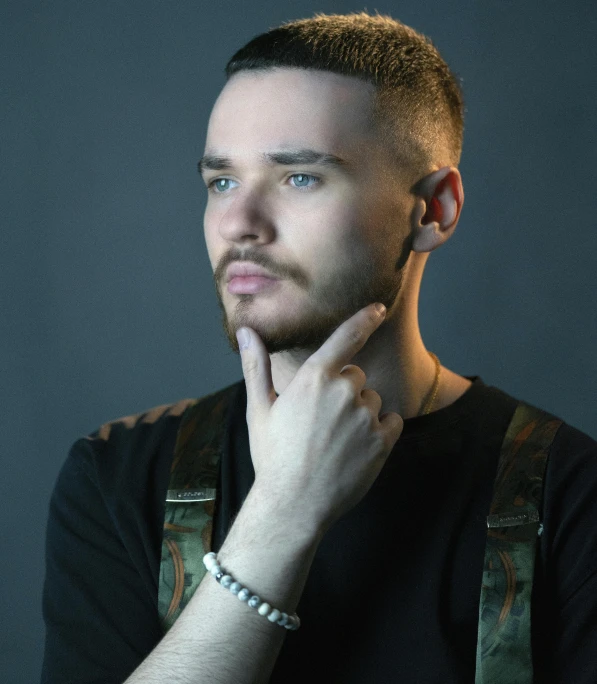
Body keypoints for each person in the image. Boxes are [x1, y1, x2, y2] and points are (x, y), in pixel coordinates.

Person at [41, 11, 597, 684]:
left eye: (299, 177)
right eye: (221, 181)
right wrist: (284, 512)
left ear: (433, 210)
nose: (239, 224)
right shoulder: (117, 477)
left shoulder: (569, 495)